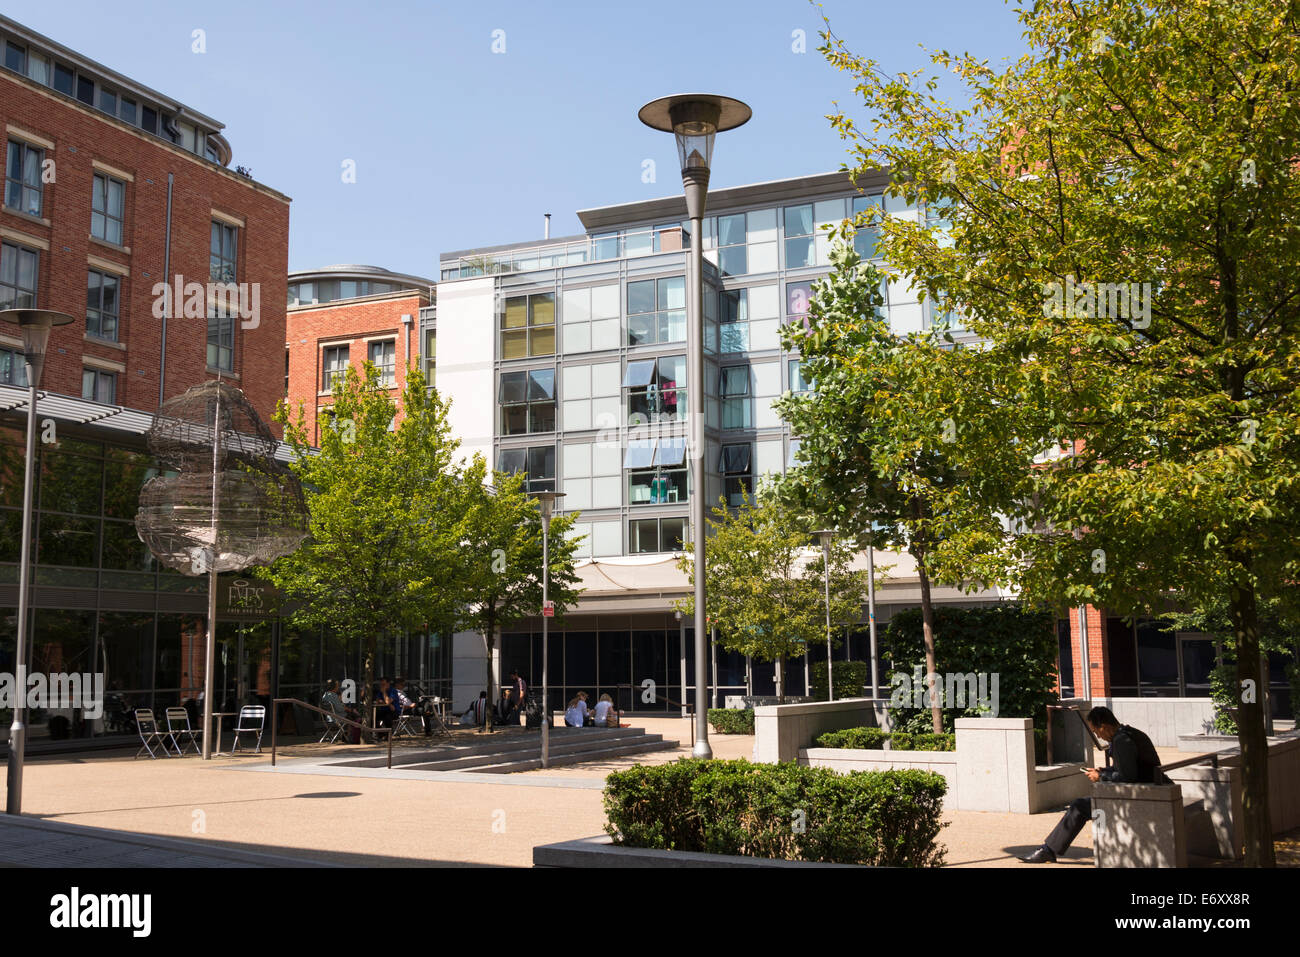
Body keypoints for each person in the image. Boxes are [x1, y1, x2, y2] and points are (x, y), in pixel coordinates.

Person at [1020, 706, 1171, 863]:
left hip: (1142, 796)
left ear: (1103, 726)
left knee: (1081, 807)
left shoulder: (1121, 741)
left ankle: (1050, 850)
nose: (1098, 736)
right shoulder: (1128, 734)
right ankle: (1099, 848)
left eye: (1096, 731)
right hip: (1147, 790)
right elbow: (1130, 769)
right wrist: (1104, 770)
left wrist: (1101, 776)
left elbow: (1128, 777)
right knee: (1091, 807)